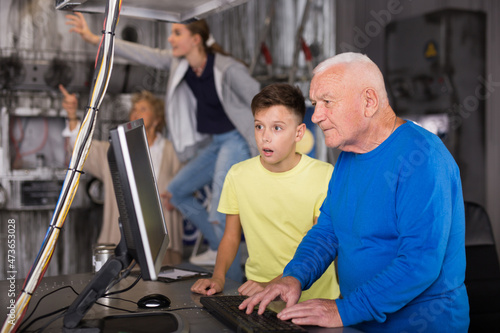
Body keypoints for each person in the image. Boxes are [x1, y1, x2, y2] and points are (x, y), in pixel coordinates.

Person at [240, 53, 470, 332]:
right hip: (359, 320)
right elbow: (328, 231)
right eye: (315, 103)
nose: (317, 115)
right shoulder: (349, 155)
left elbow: (419, 263)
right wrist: (293, 277)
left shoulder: (423, 158)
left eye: (327, 102)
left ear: (369, 102)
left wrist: (344, 309)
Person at [66, 14, 259, 281]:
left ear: (196, 39)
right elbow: (142, 54)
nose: (170, 39)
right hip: (215, 142)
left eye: (177, 33)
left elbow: (260, 98)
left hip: (236, 140)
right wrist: (93, 39)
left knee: (220, 212)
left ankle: (232, 282)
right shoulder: (181, 64)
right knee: (176, 192)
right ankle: (218, 247)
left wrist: (264, 140)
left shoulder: (227, 68)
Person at [191, 83, 340, 301]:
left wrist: (273, 285)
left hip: (316, 301)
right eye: (259, 126)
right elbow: (231, 236)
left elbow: (322, 247)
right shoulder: (237, 175)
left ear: (299, 132)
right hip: (258, 297)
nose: (265, 137)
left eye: (277, 128)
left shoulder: (325, 176)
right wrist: (218, 277)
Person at [60, 85, 185, 265]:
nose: (135, 112)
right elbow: (82, 148)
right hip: (123, 237)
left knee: (163, 289)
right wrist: (72, 115)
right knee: (122, 288)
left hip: (160, 238)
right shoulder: (116, 149)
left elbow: (188, 187)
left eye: (143, 109)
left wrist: (176, 196)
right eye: (134, 109)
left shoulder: (172, 152)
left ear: (157, 119)